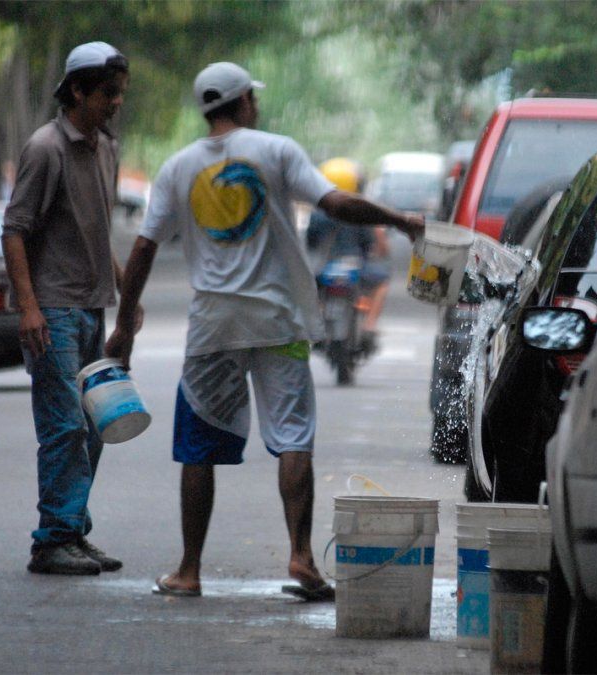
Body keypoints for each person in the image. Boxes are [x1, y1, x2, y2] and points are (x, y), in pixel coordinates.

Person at [104, 62, 424, 599]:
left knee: (198, 445)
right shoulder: (277, 150)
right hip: (278, 320)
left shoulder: (179, 167)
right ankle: (300, 556)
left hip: (213, 326)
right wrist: (400, 219)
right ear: (245, 101)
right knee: (294, 436)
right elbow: (337, 204)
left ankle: (189, 570)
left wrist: (125, 327)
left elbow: (143, 248)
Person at [2, 41, 137, 575]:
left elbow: (96, 226)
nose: (115, 103)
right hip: (53, 311)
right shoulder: (46, 148)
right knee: (64, 428)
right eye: (107, 93)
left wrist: (127, 288)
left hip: (92, 307)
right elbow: (14, 232)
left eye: (120, 94)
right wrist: (29, 307)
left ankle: (72, 528)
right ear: (77, 89)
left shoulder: (105, 147)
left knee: (96, 422)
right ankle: (52, 539)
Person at [306, 157, 391, 354]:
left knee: (309, 288)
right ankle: (369, 325)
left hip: (323, 269)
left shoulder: (318, 213)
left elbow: (311, 242)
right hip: (355, 268)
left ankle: (318, 319)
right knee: (382, 282)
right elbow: (369, 244)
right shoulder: (360, 212)